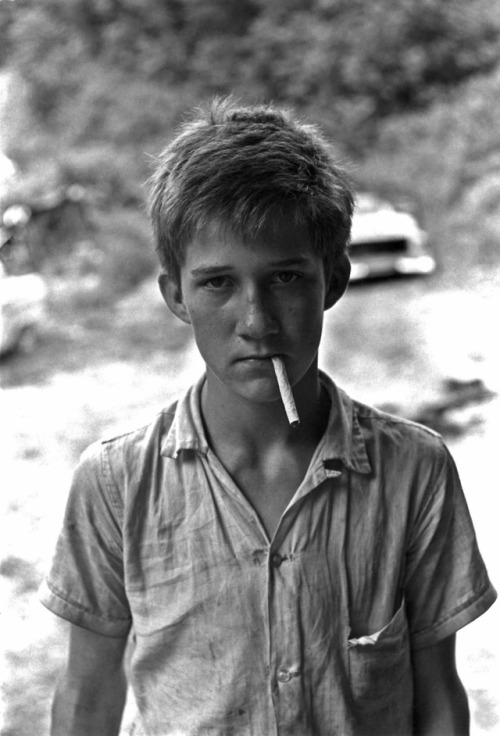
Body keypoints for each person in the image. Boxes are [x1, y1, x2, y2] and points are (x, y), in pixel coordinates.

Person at [40, 98, 496, 736]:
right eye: (217, 284)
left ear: (333, 279)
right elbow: (88, 699)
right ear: (175, 293)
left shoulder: (413, 472)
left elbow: (438, 699)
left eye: (284, 278)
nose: (255, 322)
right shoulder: (115, 485)